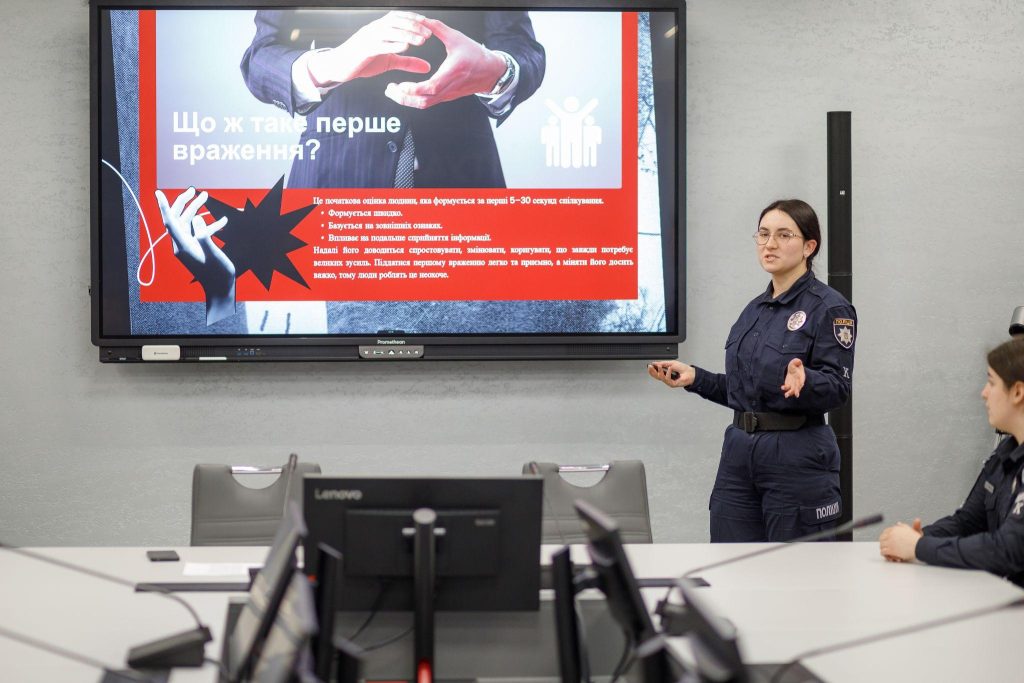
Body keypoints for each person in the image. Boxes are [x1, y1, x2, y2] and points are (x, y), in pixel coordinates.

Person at [648, 199, 857, 542]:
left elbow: (838, 387)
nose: (770, 244)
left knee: (797, 567)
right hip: (739, 455)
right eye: (763, 234)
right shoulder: (754, 311)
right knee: (730, 563)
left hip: (796, 455)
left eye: (784, 235)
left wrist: (807, 380)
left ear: (809, 246)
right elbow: (745, 391)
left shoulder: (830, 308)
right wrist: (695, 378)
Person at [240, 9, 545, 188]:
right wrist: (334, 63)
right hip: (335, 178)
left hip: (464, 179)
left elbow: (521, 48)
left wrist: (496, 69)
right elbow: (260, 58)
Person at [878, 338, 1024, 585]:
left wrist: (919, 547)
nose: (984, 393)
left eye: (991, 383)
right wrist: (918, 537)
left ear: (1017, 392)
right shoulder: (1004, 455)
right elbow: (968, 522)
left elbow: (1007, 550)